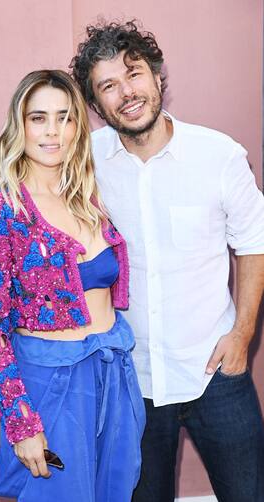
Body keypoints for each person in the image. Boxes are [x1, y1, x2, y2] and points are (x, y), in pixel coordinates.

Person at [70, 20, 264, 502]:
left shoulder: (218, 155)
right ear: (96, 106)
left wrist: (241, 336)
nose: (126, 92)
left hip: (215, 368)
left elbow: (254, 243)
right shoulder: (84, 161)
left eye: (133, 74)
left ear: (157, 77)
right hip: (131, 380)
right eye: (108, 86)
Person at [0, 69, 145, 502]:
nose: (53, 132)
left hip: (113, 377)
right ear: (18, 125)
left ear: (79, 125)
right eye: (38, 118)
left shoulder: (90, 199)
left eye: (65, 118)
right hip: (52, 389)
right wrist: (21, 422)